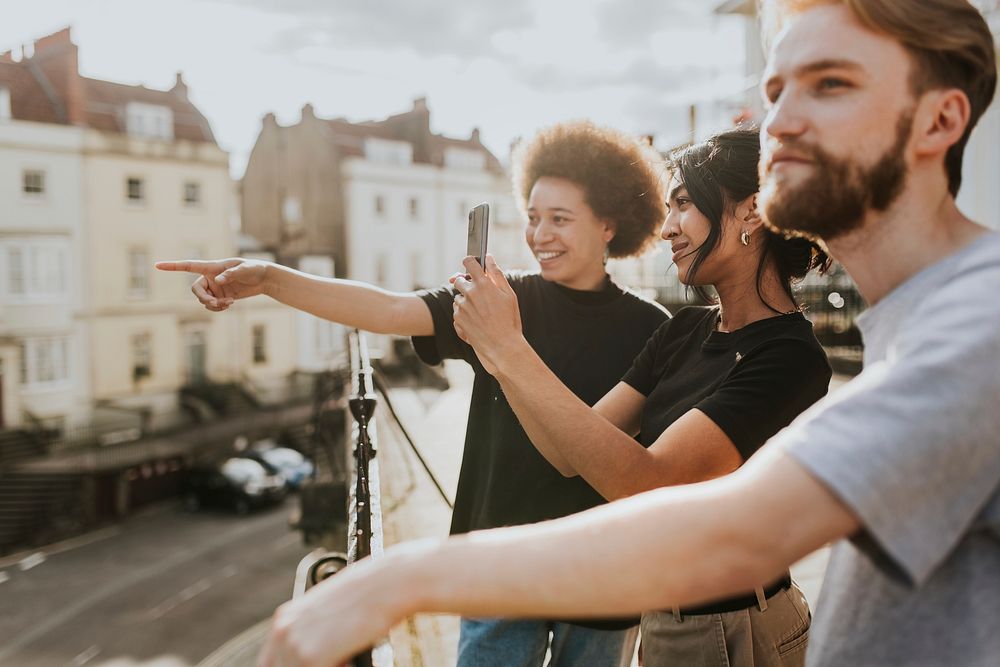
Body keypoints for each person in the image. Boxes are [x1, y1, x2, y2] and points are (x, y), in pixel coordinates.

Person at [257, 1, 1000, 666]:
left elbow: (718, 524)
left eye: (831, 84)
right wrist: (499, 345)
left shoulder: (978, 323)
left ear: (940, 119)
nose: (780, 124)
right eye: (775, 92)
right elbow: (581, 453)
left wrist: (398, 576)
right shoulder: (912, 320)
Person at [158, 120, 671, 667]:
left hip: (602, 568)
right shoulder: (497, 298)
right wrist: (270, 279)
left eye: (560, 219)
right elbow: (388, 308)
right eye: (533, 217)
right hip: (496, 560)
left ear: (610, 224)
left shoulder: (652, 327)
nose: (540, 234)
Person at [450, 128, 832, 666]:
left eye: (685, 205)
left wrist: (510, 348)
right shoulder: (685, 330)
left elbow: (650, 483)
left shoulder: (790, 357)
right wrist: (496, 350)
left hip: (739, 626)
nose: (667, 227)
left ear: (752, 212)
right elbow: (567, 454)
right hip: (663, 619)